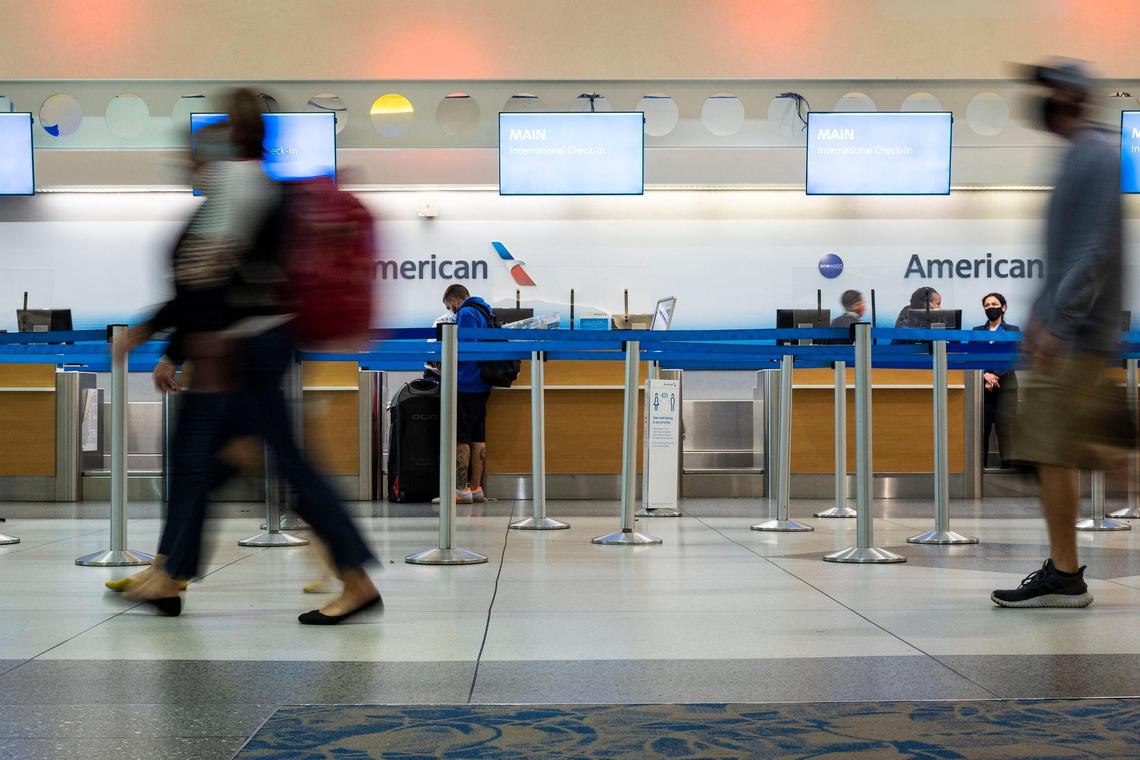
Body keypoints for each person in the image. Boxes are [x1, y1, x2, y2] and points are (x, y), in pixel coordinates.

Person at [117, 89, 381, 625]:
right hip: (245, 349)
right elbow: (214, 280)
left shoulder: (238, 186)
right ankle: (171, 572)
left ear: (229, 136)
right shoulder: (258, 185)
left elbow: (201, 279)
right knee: (200, 464)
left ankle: (355, 579)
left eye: (203, 143)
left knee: (270, 467)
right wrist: (174, 344)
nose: (191, 157)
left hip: (237, 355)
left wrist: (152, 332)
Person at [992, 60, 1128, 609]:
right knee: (1077, 449)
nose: (1041, 100)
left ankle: (1066, 573)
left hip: (1075, 337)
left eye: (1049, 90)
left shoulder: (1092, 154)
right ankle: (1065, 570)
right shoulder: (1081, 154)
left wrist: (1056, 322)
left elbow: (1093, 251)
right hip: (1075, 333)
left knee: (1057, 448)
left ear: (1072, 97)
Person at [442, 284, 493, 504]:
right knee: (477, 434)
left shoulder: (466, 313)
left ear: (454, 300)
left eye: (448, 306)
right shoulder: (484, 311)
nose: (451, 310)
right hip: (482, 382)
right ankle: (476, 487)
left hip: (466, 380)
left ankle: (461, 489)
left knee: (460, 434)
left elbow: (463, 347)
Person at [972, 293, 1020, 468]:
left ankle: (1008, 469)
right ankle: (979, 470)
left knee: (1004, 430)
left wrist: (995, 376)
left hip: (1006, 387)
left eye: (994, 304)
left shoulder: (1013, 331)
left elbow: (1013, 356)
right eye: (987, 305)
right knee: (981, 431)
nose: (990, 307)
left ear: (1003, 307)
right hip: (982, 389)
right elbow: (972, 358)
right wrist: (985, 375)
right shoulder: (976, 332)